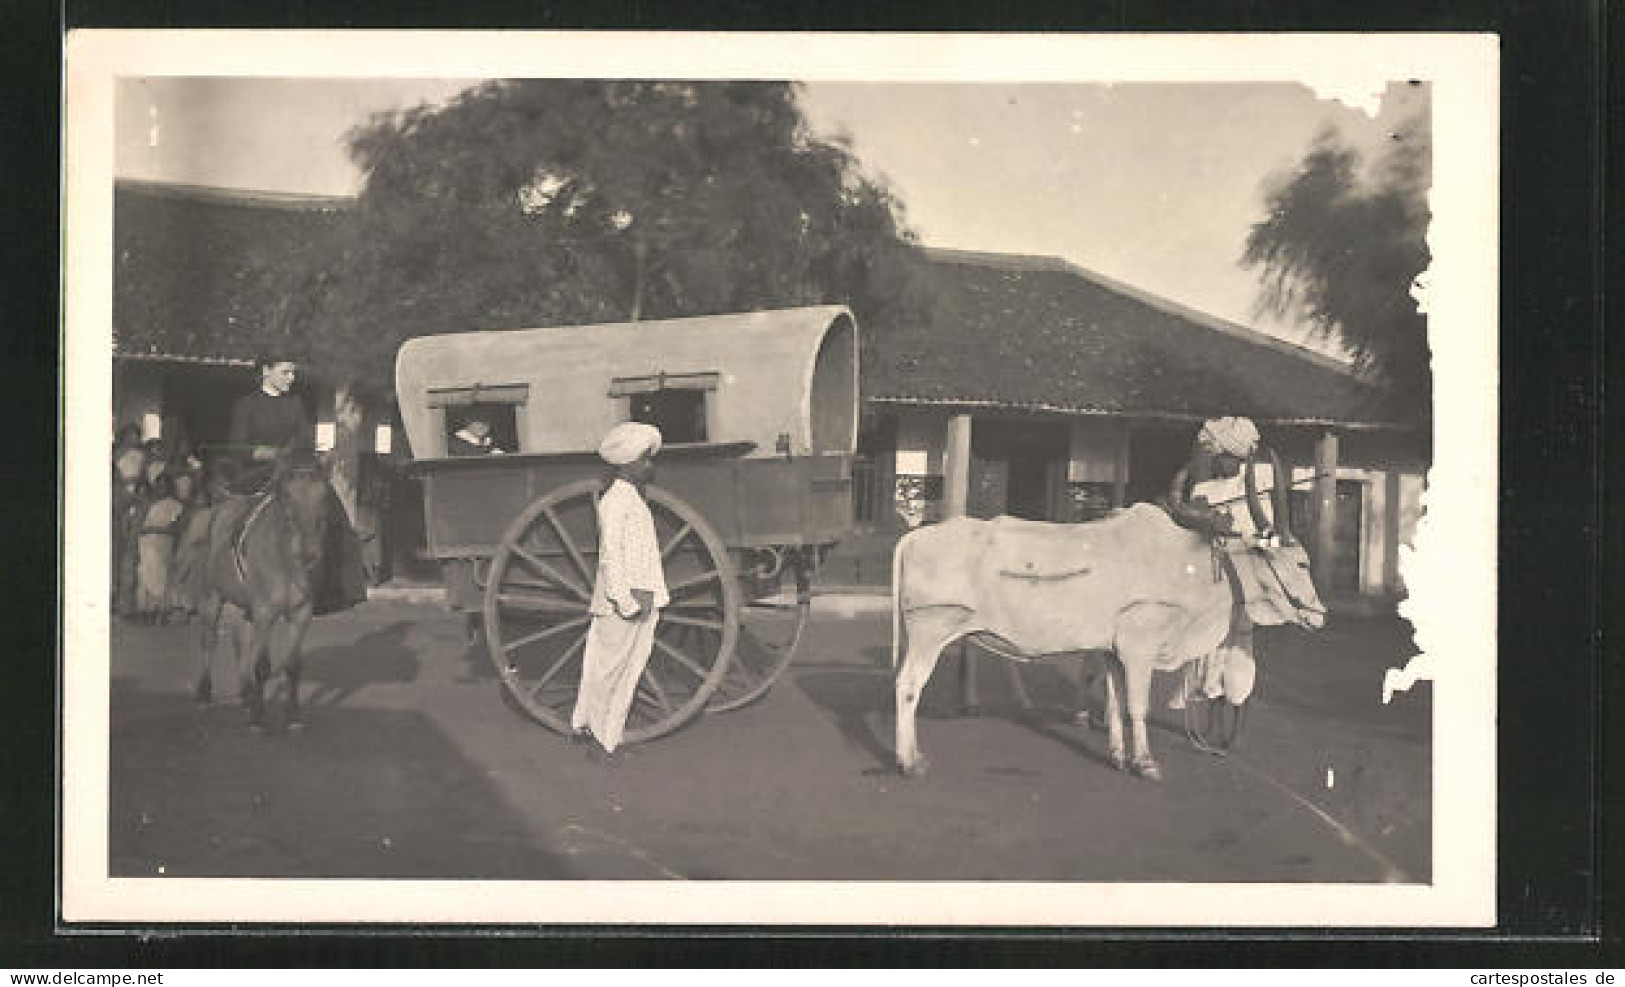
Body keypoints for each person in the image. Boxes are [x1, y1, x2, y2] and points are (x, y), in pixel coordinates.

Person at [223, 353, 369, 616]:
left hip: (293, 472)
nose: (292, 378)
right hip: (257, 473)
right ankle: (226, 576)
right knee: (227, 518)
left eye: (293, 373)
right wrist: (271, 454)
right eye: (285, 372)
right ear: (266, 371)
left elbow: (304, 440)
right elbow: (238, 447)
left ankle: (335, 590)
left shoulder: (296, 404)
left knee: (333, 510)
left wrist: (315, 454)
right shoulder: (246, 405)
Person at [1164, 416, 1278, 721]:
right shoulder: (1204, 487)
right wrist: (1203, 521)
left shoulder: (1257, 488)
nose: (1218, 465)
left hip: (1243, 580)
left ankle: (1235, 711)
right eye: (1215, 458)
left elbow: (1270, 538)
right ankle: (1211, 709)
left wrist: (1244, 535)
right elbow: (1191, 528)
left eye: (1223, 459)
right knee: (1206, 648)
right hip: (1209, 580)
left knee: (1240, 647)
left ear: (1236, 457)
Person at [570, 422, 669, 758]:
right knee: (609, 669)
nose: (649, 466)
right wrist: (624, 601)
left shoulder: (631, 499)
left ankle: (599, 730)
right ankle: (601, 738)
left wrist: (652, 594)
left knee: (625, 666)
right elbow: (610, 557)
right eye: (644, 460)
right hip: (622, 599)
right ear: (626, 464)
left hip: (640, 594)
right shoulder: (615, 502)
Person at [135, 474, 184, 624]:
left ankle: (160, 611)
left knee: (160, 574)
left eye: (164, 485)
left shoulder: (177, 506)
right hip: (146, 542)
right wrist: (145, 530)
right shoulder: (151, 505)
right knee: (145, 572)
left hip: (163, 542)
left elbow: (176, 527)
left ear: (170, 487)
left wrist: (155, 530)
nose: (161, 488)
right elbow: (142, 525)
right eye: (158, 485)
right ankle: (146, 611)